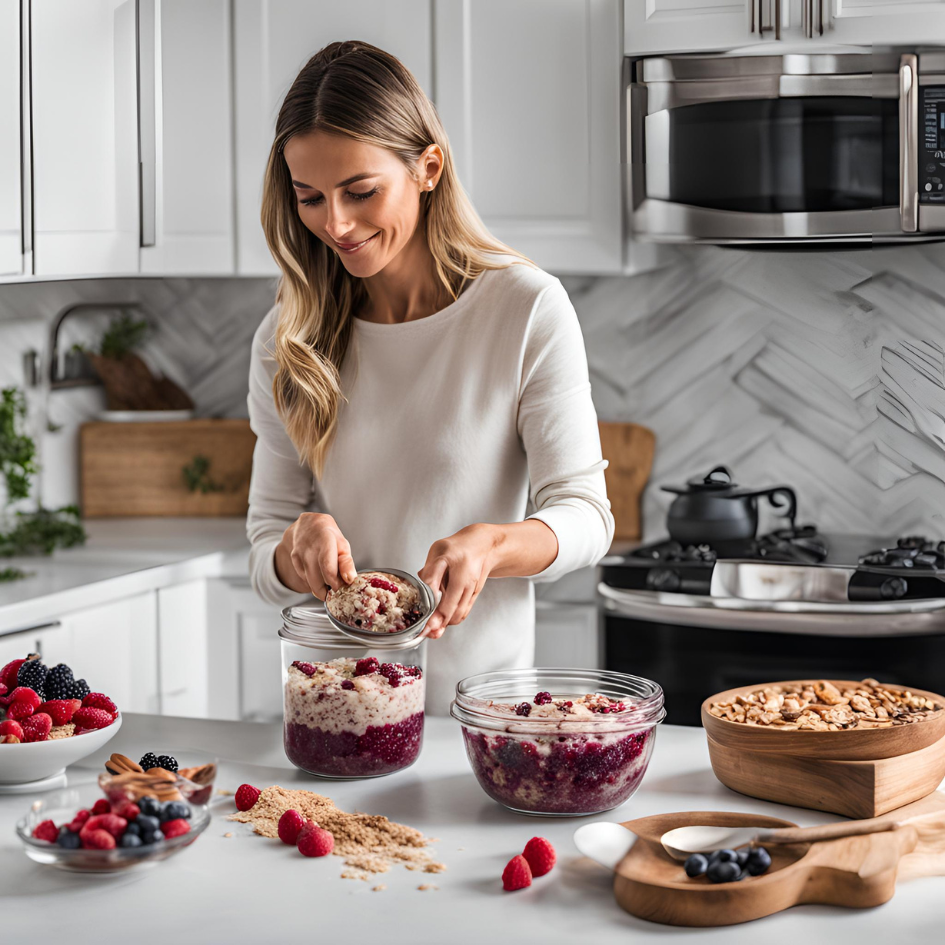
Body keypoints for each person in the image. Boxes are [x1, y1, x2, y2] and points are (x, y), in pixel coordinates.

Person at [247, 41, 614, 714]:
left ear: (428, 168)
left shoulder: (524, 308)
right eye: (309, 198)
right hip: (338, 710)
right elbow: (264, 544)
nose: (335, 224)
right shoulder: (286, 340)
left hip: (481, 716)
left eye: (361, 192)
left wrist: (493, 544)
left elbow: (586, 517)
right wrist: (290, 553)